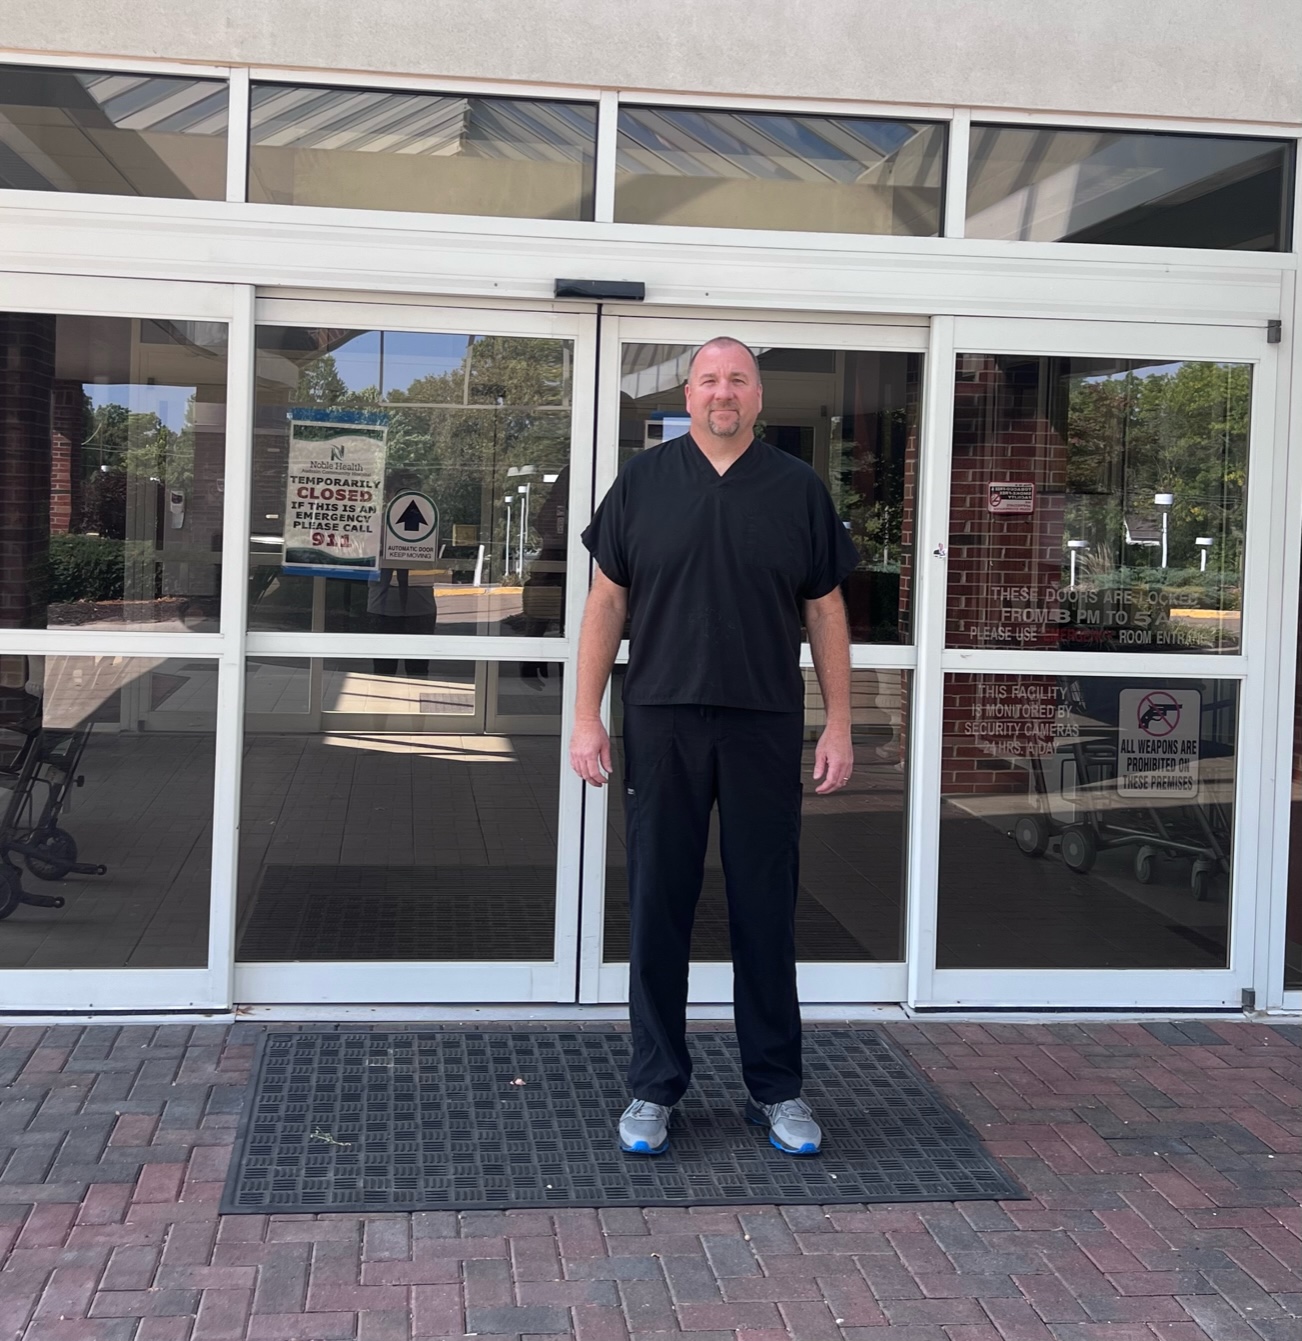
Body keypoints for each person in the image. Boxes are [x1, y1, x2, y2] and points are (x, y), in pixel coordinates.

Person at [571, 336, 858, 1157]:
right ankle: (654, 1088)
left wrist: (838, 721)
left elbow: (827, 612)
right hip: (662, 718)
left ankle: (778, 1089)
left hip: (764, 720)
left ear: (758, 398)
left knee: (764, 908)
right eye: (709, 379)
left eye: (737, 379)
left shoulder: (797, 489)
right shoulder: (643, 483)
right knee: (660, 903)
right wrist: (586, 714)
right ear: (687, 394)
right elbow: (605, 603)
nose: (722, 392)